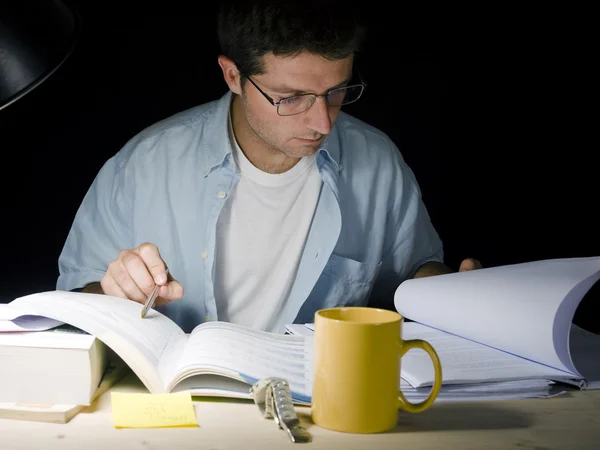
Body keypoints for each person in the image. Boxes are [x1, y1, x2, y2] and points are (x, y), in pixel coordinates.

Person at [56, 0, 481, 333]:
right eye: (291, 97)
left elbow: (414, 274)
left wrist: (448, 293)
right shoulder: (142, 165)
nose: (323, 122)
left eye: (336, 92)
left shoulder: (379, 162)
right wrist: (114, 294)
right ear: (232, 76)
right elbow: (73, 306)